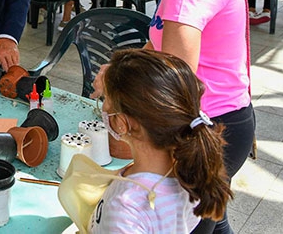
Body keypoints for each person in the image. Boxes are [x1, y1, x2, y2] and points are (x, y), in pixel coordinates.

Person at [100, 0, 254, 234]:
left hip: (208, 125)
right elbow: (166, 47)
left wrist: (118, 87)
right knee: (213, 223)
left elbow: (173, 80)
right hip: (221, 119)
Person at [91, 49, 232, 233]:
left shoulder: (125, 210)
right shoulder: (191, 174)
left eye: (106, 99)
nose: (104, 107)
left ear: (122, 123)